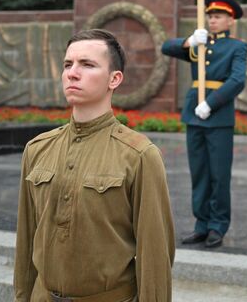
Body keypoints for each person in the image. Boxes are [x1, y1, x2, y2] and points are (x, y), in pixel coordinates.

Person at [14, 29, 175, 302]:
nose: (72, 73)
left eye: (87, 65)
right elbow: (26, 242)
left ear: (115, 78)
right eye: (68, 64)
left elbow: (155, 255)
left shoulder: (139, 155)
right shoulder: (38, 149)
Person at [161, 0, 247, 249]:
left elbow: (237, 80)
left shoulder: (237, 47)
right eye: (210, 16)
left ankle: (217, 226)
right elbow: (166, 47)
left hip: (217, 115)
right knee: (199, 173)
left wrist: (211, 103)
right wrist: (189, 41)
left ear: (230, 21)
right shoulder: (199, 44)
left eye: (218, 16)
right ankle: (201, 224)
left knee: (219, 175)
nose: (212, 21)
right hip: (194, 116)